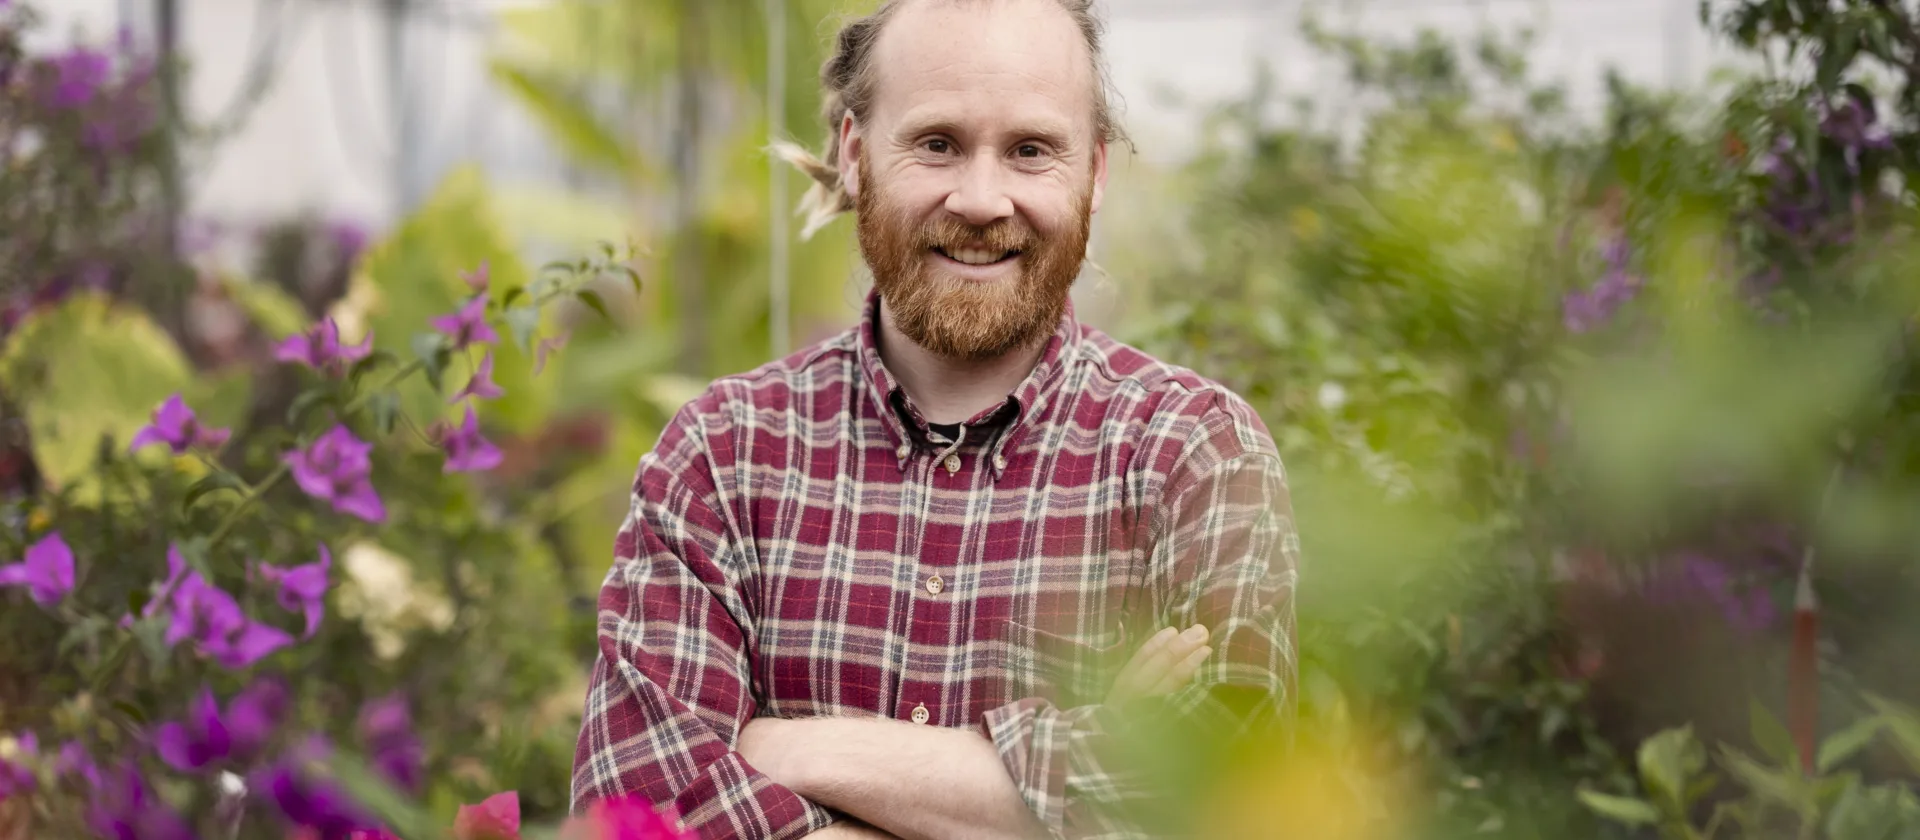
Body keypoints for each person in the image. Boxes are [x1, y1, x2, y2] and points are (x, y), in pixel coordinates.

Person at [568, 0, 1299, 837]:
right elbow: (638, 811)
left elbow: (1221, 800)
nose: (984, 200)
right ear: (853, 157)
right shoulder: (722, 457)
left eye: (1030, 150)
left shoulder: (1194, 454)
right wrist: (1061, 786)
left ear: (1093, 173)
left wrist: (788, 751)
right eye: (937, 143)